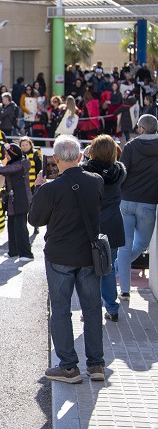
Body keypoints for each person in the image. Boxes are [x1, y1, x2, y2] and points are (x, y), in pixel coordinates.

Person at [29, 135, 105, 384]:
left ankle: (69, 367)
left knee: (61, 310)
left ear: (56, 159)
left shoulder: (51, 188)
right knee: (92, 309)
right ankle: (96, 365)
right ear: (81, 157)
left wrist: (39, 188)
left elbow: (35, 220)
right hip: (88, 255)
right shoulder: (96, 181)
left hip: (59, 255)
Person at [81, 135, 126, 322]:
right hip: (113, 224)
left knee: (89, 271)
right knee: (107, 268)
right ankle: (112, 308)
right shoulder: (120, 171)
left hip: (91, 225)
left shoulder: (86, 172)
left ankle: (90, 310)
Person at [117, 114, 158, 302]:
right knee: (142, 244)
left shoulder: (131, 146)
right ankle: (115, 268)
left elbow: (122, 172)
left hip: (126, 200)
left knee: (124, 246)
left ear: (141, 129)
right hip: (149, 202)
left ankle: (124, 289)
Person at [0, 143, 33, 261]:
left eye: (7, 154)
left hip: (21, 198)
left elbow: (4, 170)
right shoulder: (15, 162)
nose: (6, 156)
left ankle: (26, 254)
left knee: (20, 226)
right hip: (13, 198)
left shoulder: (22, 163)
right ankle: (14, 251)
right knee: (11, 225)